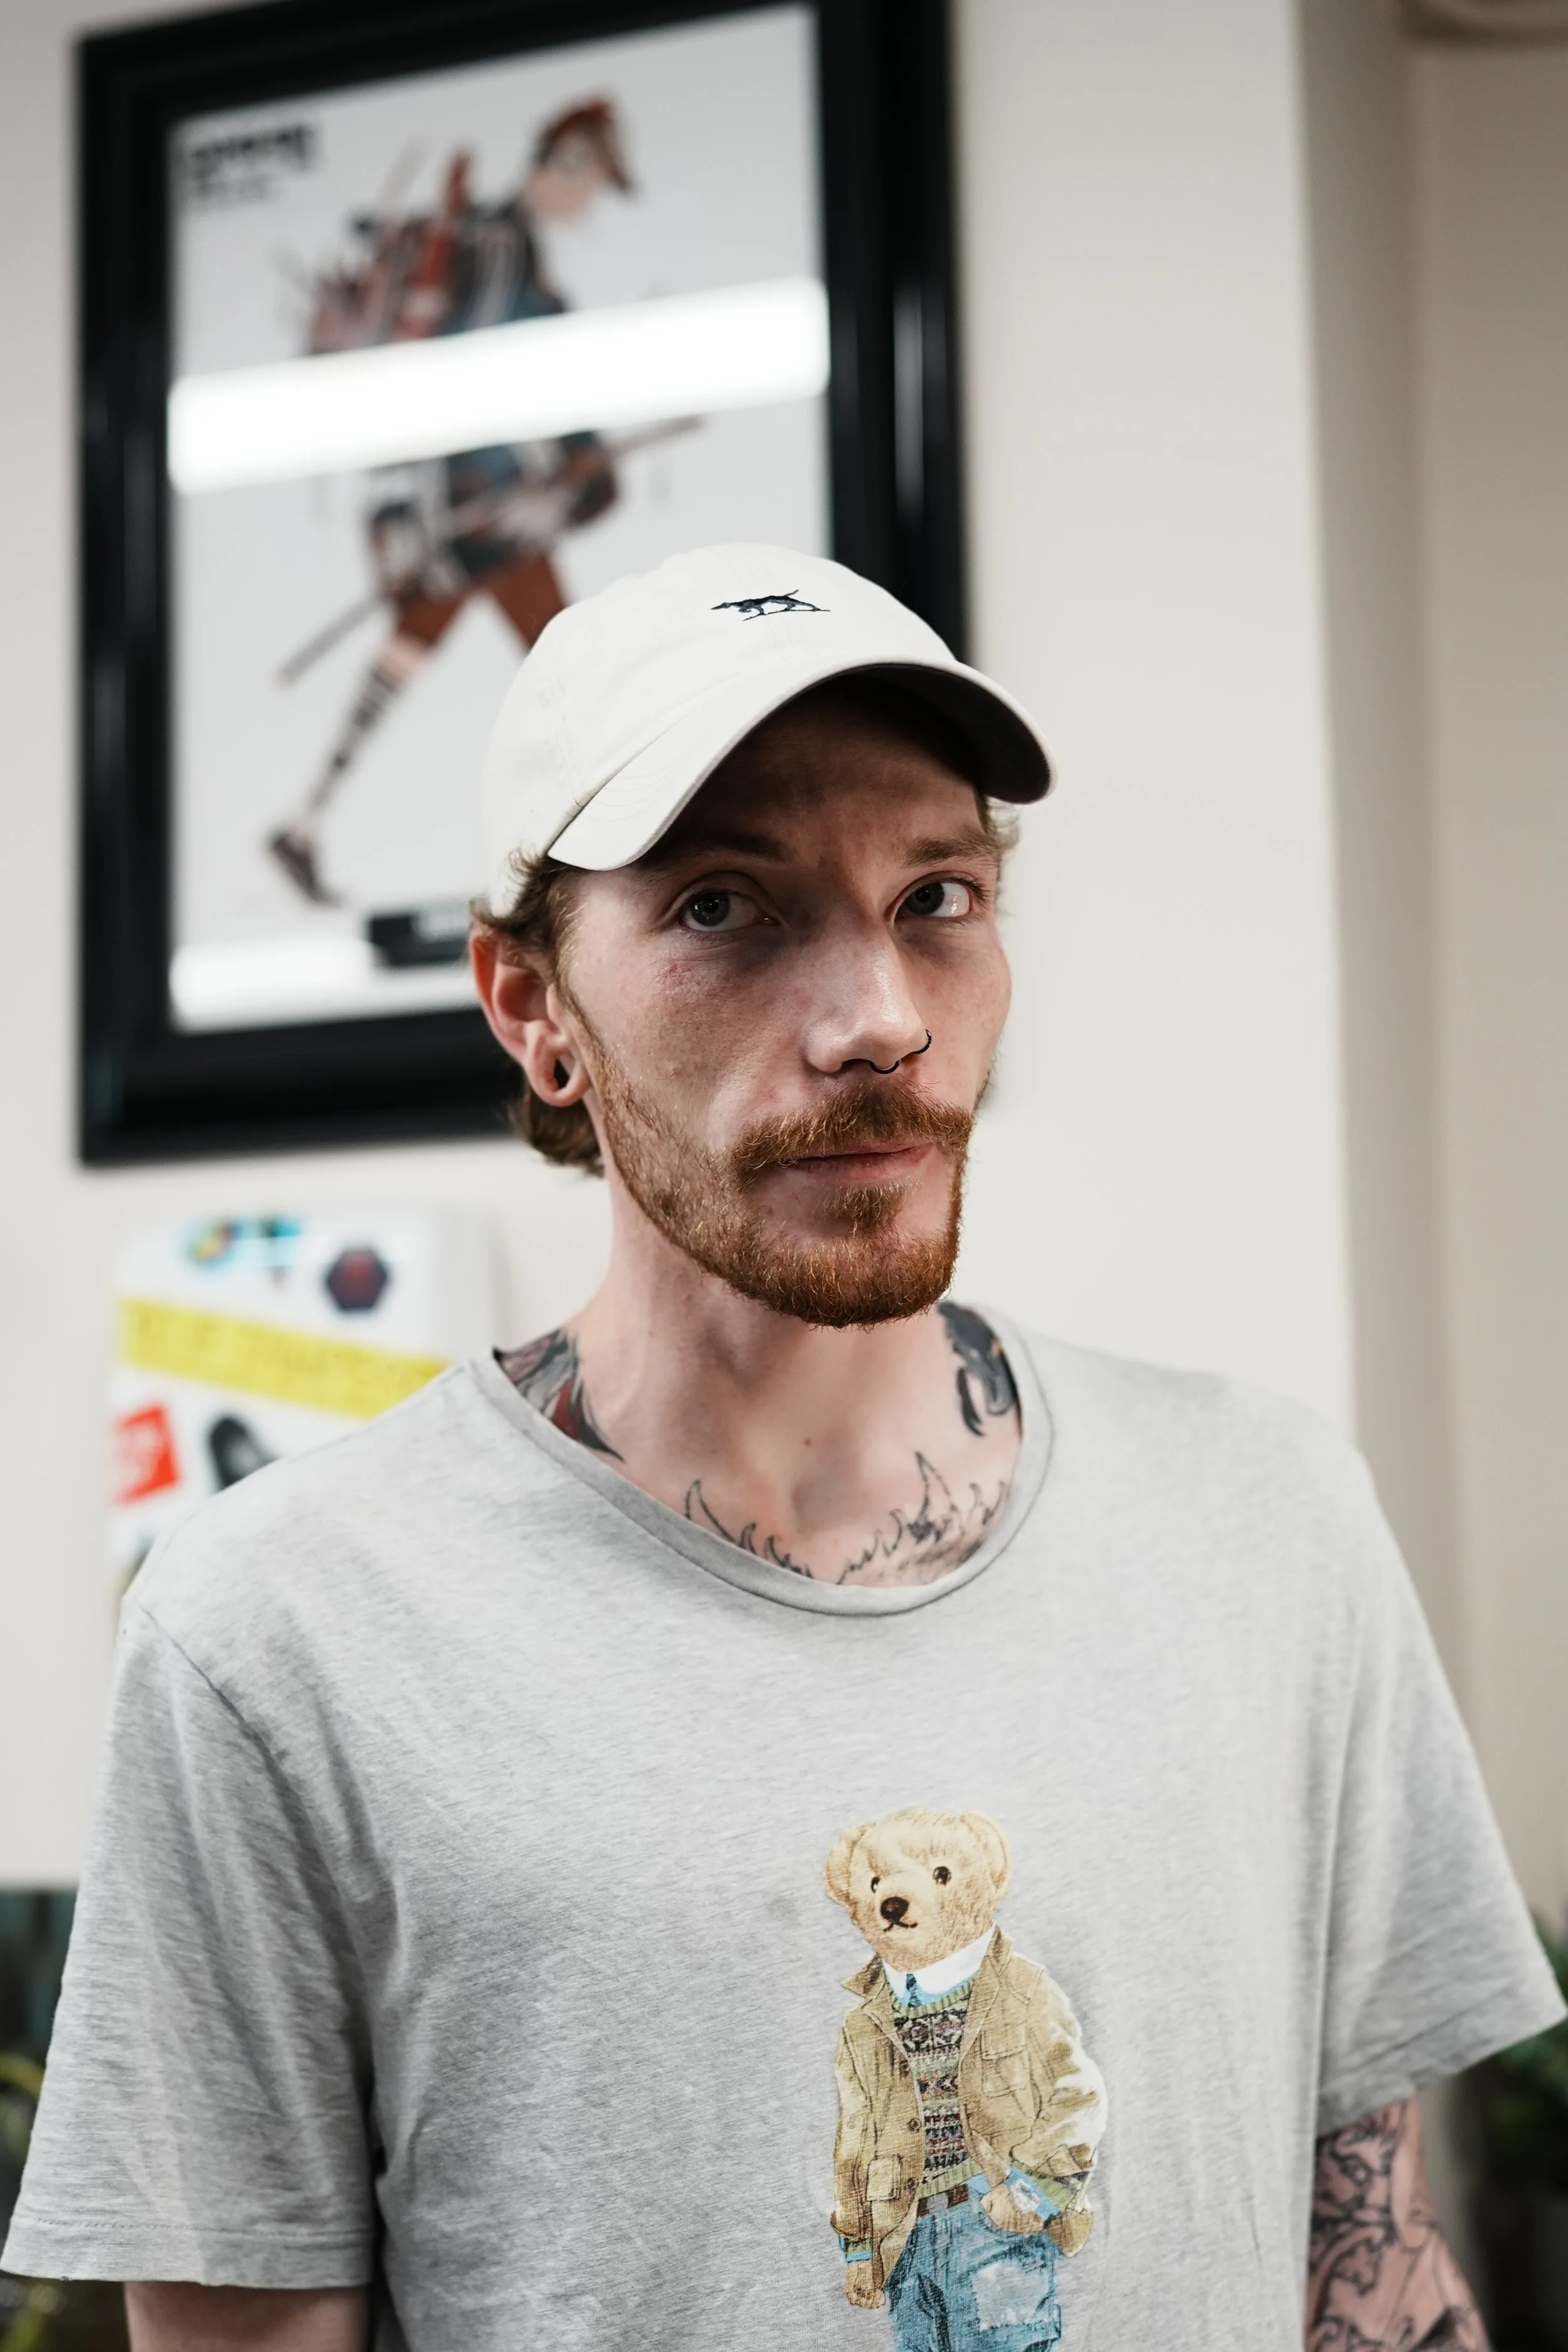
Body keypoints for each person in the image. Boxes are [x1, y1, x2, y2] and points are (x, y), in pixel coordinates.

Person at [7, 544, 1560, 2352]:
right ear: (530, 1005)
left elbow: (1364, 2265)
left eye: (938, 894)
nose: (880, 1015)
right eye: (726, 908)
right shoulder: (278, 1627)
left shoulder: (1271, 1523)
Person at [268, 100, 633, 907]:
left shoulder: (488, 238)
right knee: (559, 655)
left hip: (460, 498)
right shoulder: (499, 243)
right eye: (592, 181)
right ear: (563, 163)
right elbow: (488, 376)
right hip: (477, 501)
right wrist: (571, 457)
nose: (590, 201)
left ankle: (304, 822)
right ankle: (607, 843)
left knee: (423, 646)